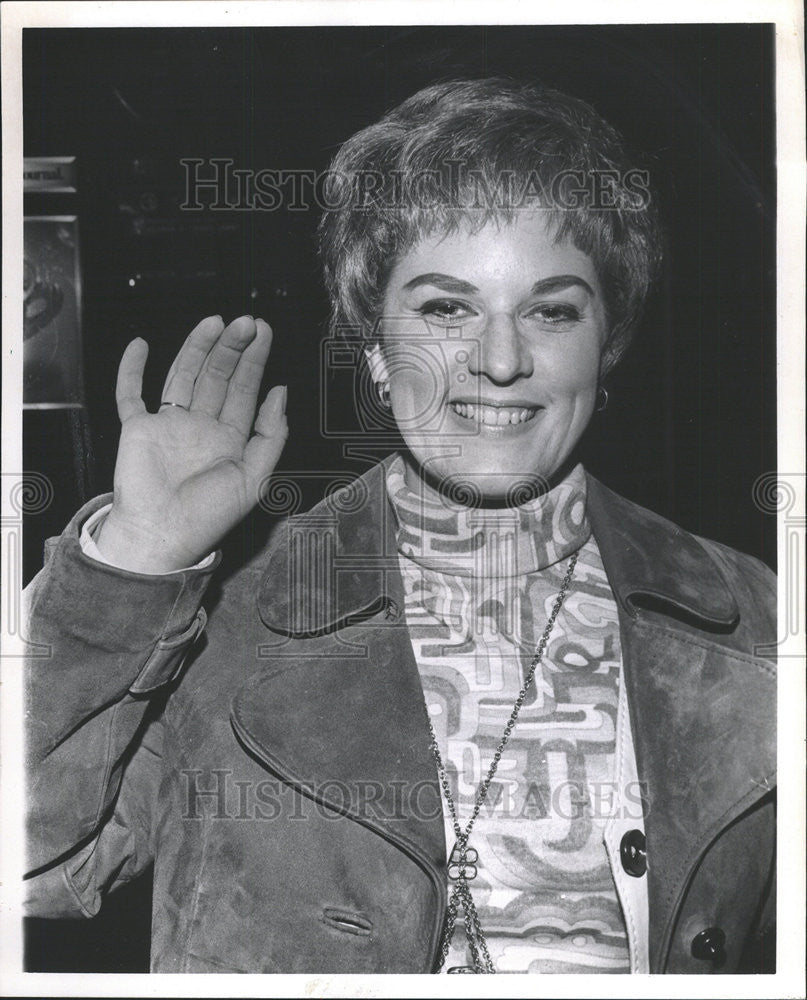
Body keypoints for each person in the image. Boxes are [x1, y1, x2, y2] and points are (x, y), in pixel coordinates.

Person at [23, 79, 776, 974]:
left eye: (551, 310)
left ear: (604, 345)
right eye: (445, 308)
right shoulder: (222, 620)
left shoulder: (753, 615)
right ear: (374, 349)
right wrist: (135, 563)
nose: (499, 361)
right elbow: (33, 866)